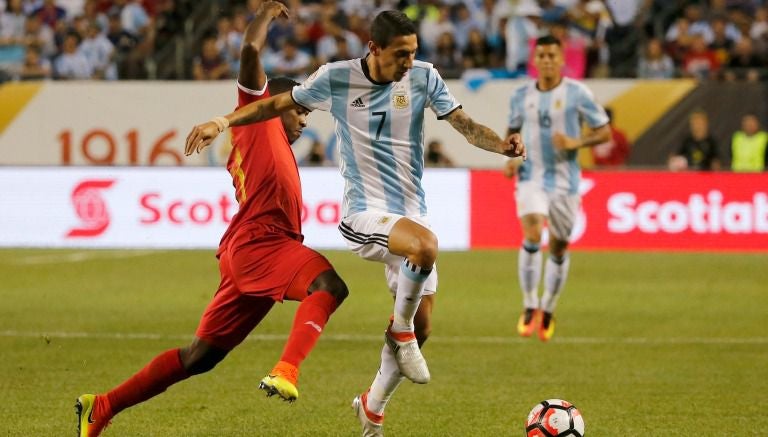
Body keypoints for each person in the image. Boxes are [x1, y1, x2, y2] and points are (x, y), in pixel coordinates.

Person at [185, 10, 525, 436]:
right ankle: (400, 333)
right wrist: (223, 121)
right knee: (424, 249)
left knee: (424, 325)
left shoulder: (424, 77)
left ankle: (373, 406)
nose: (408, 62)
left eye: (413, 52)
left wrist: (502, 146)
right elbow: (274, 104)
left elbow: (465, 126)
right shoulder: (337, 77)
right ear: (374, 48)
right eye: (400, 54)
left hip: (411, 212)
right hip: (364, 211)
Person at [76, 3, 349, 436]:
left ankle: (103, 405)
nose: (303, 120)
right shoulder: (259, 120)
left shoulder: (276, 144)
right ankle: (287, 370)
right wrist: (265, 12)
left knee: (200, 357)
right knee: (328, 285)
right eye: (299, 110)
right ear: (275, 103)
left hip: (250, 250)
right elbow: (249, 51)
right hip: (262, 245)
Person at [504, 35, 610, 342]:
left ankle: (548, 306)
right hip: (531, 176)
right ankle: (529, 304)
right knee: (533, 232)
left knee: (559, 248)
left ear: (562, 59)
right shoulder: (521, 95)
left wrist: (577, 142)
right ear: (535, 60)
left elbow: (604, 132)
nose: (547, 60)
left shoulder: (578, 93)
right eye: (542, 55)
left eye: (552, 55)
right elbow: (512, 132)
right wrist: (511, 157)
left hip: (566, 182)